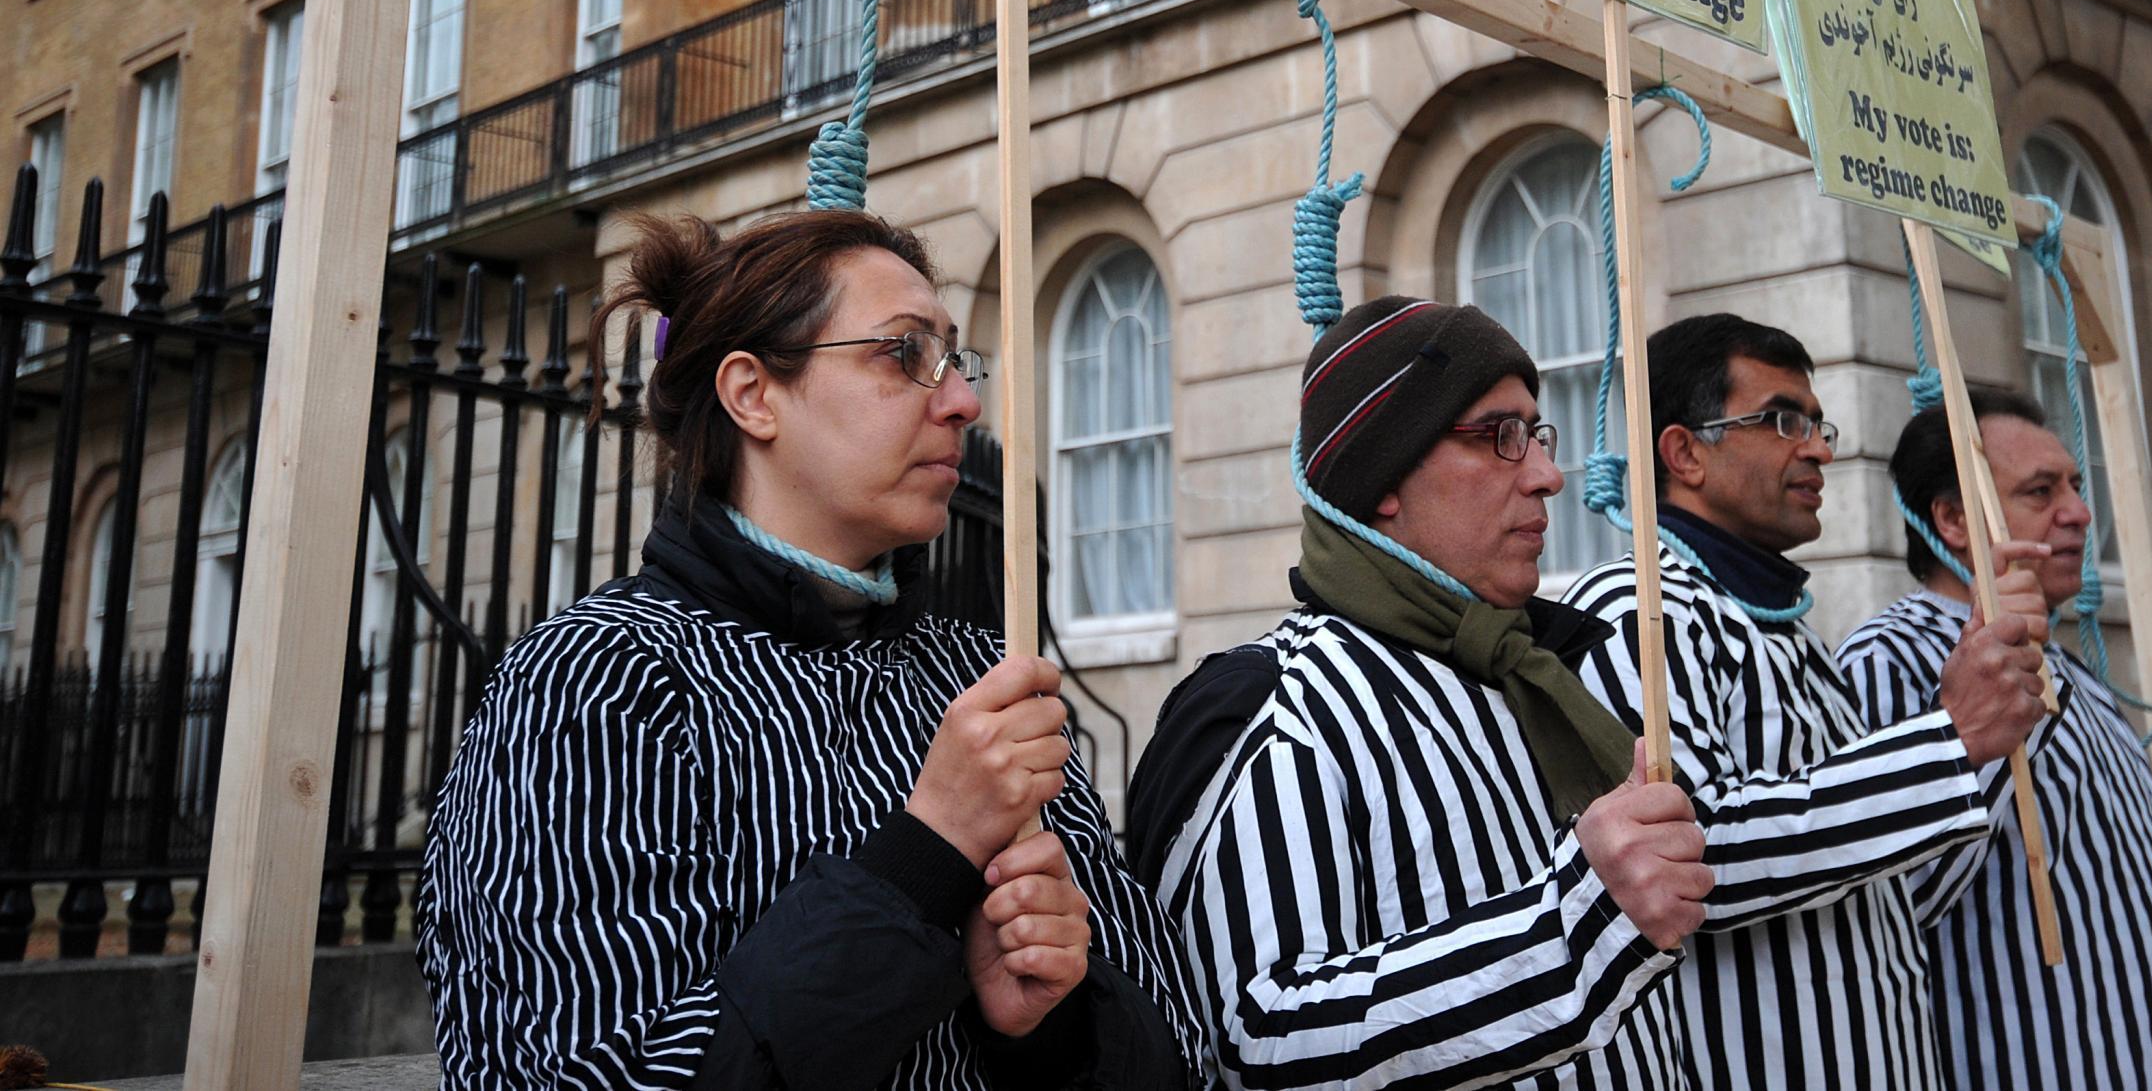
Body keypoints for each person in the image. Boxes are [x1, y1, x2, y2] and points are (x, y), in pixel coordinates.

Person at [418, 209, 1210, 1090]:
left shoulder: (980, 675)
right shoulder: (595, 685)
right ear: (753, 393)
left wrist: (1047, 1028)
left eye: (955, 360)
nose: (962, 401)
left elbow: (1183, 1048)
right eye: (905, 354)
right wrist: (927, 853)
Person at [1126, 295, 1713, 1091]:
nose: (1546, 475)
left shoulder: (1537, 678)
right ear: (1383, 475)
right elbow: (1261, 1041)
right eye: (1500, 437)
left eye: (1538, 435)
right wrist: (1574, 930)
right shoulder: (1278, 707)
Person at [1565, 313, 2051, 1089]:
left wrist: (1983, 739)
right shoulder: (1638, 608)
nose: (1821, 448)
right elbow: (1694, 856)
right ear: (1684, 451)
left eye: (1819, 423)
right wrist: (1948, 741)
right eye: (1783, 419)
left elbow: (1892, 886)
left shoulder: (1793, 637)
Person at [1843, 387, 2152, 1090]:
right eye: (2041, 491)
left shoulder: (2074, 668)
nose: (2078, 511)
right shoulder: (1887, 660)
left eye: (2075, 485)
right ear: (1953, 519)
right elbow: (1890, 902)